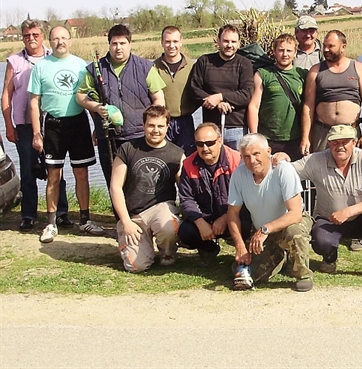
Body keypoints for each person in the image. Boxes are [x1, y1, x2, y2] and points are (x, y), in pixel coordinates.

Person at [274, 124, 362, 280]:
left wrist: (348, 211)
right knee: (321, 241)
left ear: (354, 143)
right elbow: (289, 171)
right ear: (328, 143)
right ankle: (330, 259)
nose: (340, 146)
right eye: (335, 142)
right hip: (328, 220)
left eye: (345, 142)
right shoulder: (316, 160)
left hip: (360, 219)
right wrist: (285, 159)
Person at [27, 25, 102, 243]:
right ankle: (51, 223)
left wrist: (96, 126)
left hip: (78, 123)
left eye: (64, 38)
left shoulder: (80, 65)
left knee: (82, 174)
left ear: (70, 40)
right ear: (49, 42)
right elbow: (34, 102)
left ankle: (85, 220)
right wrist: (36, 133)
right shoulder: (41, 67)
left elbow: (92, 97)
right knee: (53, 176)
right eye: (55, 38)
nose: (60, 42)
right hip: (53, 125)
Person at [77, 24, 166, 189]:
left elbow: (159, 98)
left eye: (122, 43)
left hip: (139, 135)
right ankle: (119, 215)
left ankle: (142, 214)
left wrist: (152, 125)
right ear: (109, 44)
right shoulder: (95, 69)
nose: (118, 48)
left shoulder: (145, 67)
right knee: (114, 181)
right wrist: (96, 107)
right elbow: (81, 96)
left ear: (129, 44)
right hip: (109, 136)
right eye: (114, 43)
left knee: (141, 180)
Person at [2, 20, 70, 231]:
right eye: (26, 35)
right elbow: (6, 95)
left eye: (35, 35)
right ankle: (29, 215)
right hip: (23, 125)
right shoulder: (14, 61)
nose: (31, 39)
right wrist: (9, 125)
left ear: (42, 36)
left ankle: (61, 213)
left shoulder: (53, 57)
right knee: (28, 171)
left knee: (55, 169)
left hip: (50, 123)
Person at [227, 133, 313, 292]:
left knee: (295, 232)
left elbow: (295, 213)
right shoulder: (239, 175)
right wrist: (240, 246)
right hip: (262, 228)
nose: (251, 161)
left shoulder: (283, 169)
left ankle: (303, 274)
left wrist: (265, 229)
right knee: (243, 271)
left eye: (256, 154)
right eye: (246, 156)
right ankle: (282, 258)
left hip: (289, 222)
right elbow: (232, 214)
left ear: (268, 151)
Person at [110, 105, 185, 272]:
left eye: (160, 126)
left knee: (168, 226)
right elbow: (115, 187)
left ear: (167, 126)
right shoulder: (127, 149)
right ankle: (133, 242)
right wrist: (126, 221)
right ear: (143, 126)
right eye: (151, 125)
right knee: (136, 266)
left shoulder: (177, 154)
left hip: (161, 208)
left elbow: (185, 190)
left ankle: (167, 253)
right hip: (133, 215)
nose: (155, 130)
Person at [178, 122, 251, 264]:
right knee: (185, 231)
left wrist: (226, 217)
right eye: (199, 144)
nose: (205, 148)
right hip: (205, 218)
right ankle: (209, 248)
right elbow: (186, 199)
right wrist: (200, 222)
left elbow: (247, 196)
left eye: (209, 143)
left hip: (233, 215)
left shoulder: (237, 161)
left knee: (248, 221)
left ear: (220, 141)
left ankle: (243, 248)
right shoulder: (188, 164)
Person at [300, 30, 362, 154]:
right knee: (321, 170)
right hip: (323, 134)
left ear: (343, 47)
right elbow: (308, 107)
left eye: (331, 46)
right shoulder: (315, 71)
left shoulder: (358, 68)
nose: (326, 49)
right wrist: (306, 137)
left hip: (350, 132)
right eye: (324, 46)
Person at [188, 24, 254, 150]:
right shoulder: (204, 61)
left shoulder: (244, 64)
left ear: (239, 43)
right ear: (218, 41)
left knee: (236, 166)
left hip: (237, 128)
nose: (229, 45)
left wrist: (221, 97)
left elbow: (247, 94)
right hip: (210, 128)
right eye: (225, 41)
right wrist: (214, 102)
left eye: (233, 41)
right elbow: (194, 89)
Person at [248, 33, 307, 161]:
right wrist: (254, 137)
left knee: (295, 177)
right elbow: (254, 106)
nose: (285, 54)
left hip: (295, 137)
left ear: (295, 52)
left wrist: (306, 137)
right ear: (274, 51)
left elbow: (309, 106)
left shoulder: (302, 74)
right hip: (269, 137)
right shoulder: (263, 74)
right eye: (281, 50)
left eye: (289, 50)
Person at [150, 26, 196, 156]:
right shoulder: (152, 67)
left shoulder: (192, 66)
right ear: (162, 42)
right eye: (168, 41)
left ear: (181, 41)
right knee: (163, 158)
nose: (171, 45)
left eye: (175, 41)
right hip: (162, 121)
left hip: (185, 121)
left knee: (186, 159)